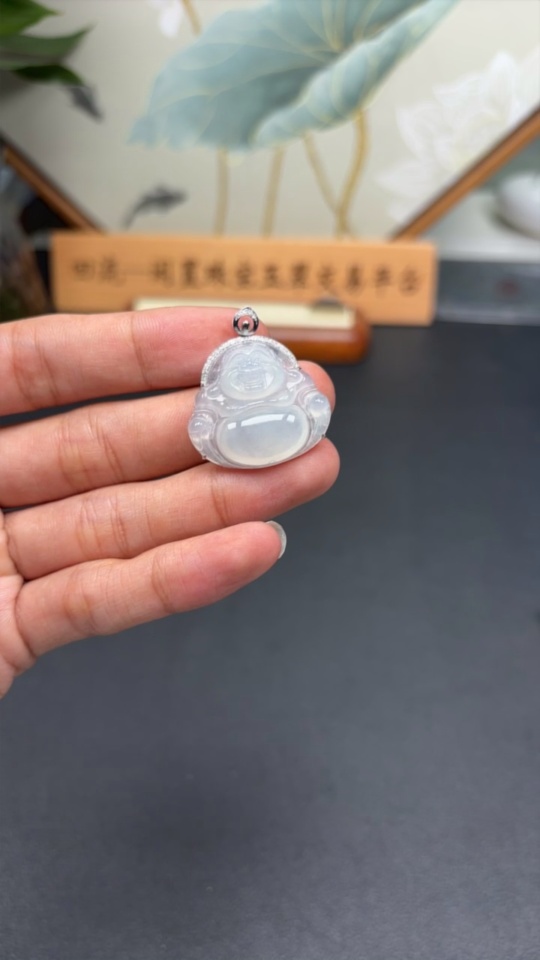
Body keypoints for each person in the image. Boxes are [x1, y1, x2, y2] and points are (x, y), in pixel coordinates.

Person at [0, 307, 339, 696]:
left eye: (257, 369)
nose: (250, 374)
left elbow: (307, 397)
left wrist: (306, 405)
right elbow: (205, 418)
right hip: (236, 428)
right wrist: (211, 424)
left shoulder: (288, 382)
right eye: (241, 371)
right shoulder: (219, 395)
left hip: (284, 417)